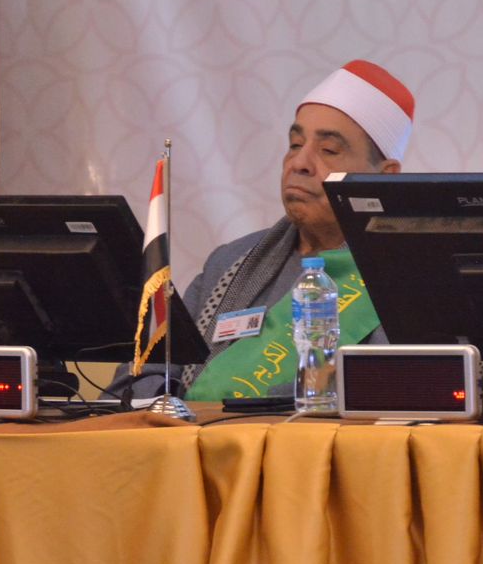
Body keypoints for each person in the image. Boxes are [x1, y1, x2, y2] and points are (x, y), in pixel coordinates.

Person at [134, 59, 415, 402]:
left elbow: (399, 394)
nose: (299, 163)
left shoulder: (406, 281)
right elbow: (145, 370)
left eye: (328, 150)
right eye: (295, 145)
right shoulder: (230, 263)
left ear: (384, 176)